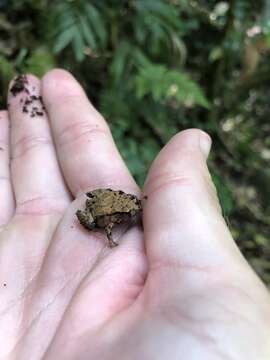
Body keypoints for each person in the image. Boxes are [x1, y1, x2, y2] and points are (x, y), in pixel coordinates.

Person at [0, 69, 269, 360]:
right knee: (91, 222)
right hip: (97, 209)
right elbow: (105, 227)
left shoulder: (129, 208)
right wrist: (111, 241)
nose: (134, 212)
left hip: (104, 198)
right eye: (131, 211)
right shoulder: (114, 221)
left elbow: (128, 204)